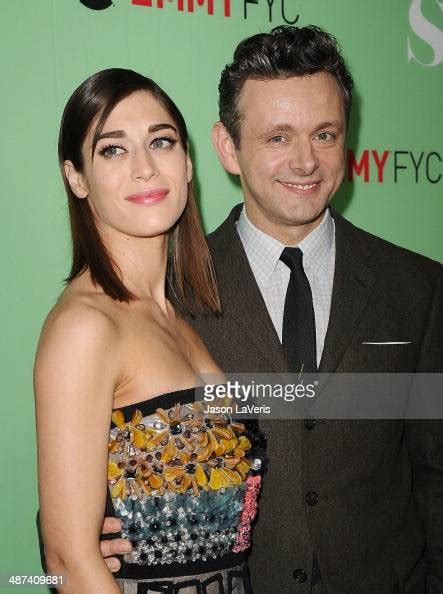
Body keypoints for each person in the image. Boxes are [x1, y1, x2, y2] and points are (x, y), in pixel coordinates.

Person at [98, 27, 443, 593]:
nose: (306, 161)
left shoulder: (419, 289)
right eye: (278, 137)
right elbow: (86, 494)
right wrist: (86, 542)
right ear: (228, 148)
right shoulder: (166, 294)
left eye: (325, 134)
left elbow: (435, 472)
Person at [34, 68, 265, 594]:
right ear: (76, 177)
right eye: (113, 150)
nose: (144, 168)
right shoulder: (85, 327)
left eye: (160, 142)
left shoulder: (180, 315)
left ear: (187, 164)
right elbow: (67, 558)